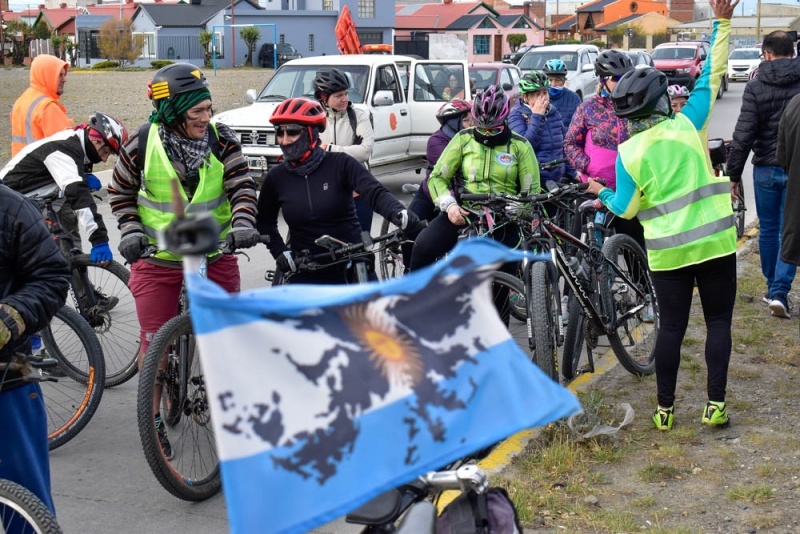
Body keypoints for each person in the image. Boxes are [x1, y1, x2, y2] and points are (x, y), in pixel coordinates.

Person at [585, 0, 737, 431]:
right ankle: (715, 406)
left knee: (670, 330)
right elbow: (712, 74)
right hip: (715, 245)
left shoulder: (627, 153)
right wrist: (721, 22)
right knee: (718, 323)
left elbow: (627, 208)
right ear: (662, 102)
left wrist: (605, 197)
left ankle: (665, 411)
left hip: (668, 255)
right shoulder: (689, 124)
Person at [108, 63, 259, 458]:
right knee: (153, 341)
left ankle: (226, 409)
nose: (206, 118)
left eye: (209, 109)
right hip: (158, 257)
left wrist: (242, 222)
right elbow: (121, 194)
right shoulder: (141, 144)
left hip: (214, 253)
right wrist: (130, 232)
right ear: (173, 111)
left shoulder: (221, 141)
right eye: (197, 112)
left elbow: (242, 186)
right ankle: (154, 417)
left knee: (227, 337)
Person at [256, 97, 418, 285]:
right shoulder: (277, 177)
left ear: (311, 133)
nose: (285, 140)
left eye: (292, 132)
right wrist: (280, 251)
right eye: (279, 132)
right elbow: (264, 221)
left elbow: (375, 192)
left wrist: (398, 212)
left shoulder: (340, 163)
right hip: (304, 265)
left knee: (375, 311)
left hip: (350, 261)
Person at [409, 85, 540, 272]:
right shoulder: (463, 139)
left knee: (508, 270)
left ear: (504, 122)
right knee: (423, 246)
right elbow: (438, 177)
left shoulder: (520, 145)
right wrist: (449, 204)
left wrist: (517, 208)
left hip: (504, 217)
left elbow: (532, 189)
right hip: (465, 212)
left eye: (493, 130)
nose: (486, 134)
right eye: (481, 129)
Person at [0, 183, 71, 517]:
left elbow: (52, 277)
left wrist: (11, 317)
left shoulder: (11, 208)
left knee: (26, 510)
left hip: (6, 382)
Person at [726, 30, 800, 318]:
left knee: (769, 229)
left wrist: (733, 175)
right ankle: (780, 291)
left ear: (766, 54)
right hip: (795, 167)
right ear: (792, 52)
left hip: (766, 167)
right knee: (790, 229)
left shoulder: (756, 86)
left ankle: (773, 288)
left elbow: (744, 134)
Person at [0, 112, 126, 275]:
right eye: (106, 152)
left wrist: (83, 176)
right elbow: (79, 197)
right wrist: (98, 239)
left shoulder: (77, 144)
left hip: (24, 206)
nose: (104, 159)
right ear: (96, 139)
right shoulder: (65, 150)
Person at [564, 49, 644, 248]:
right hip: (593, 187)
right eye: (616, 78)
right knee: (581, 248)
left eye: (626, 77)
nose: (622, 82)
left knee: (636, 250)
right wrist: (587, 166)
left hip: (628, 188)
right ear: (603, 80)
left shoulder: (636, 106)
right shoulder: (588, 108)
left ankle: (640, 280)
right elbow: (571, 143)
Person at [313, 67, 376, 233]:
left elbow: (364, 151)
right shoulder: (313, 119)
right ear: (323, 97)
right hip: (324, 194)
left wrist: (330, 149)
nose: (345, 99)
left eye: (346, 93)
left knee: (362, 248)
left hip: (357, 193)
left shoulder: (359, 116)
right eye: (338, 95)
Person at [509, 71, 568, 184]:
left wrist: (572, 172)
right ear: (525, 97)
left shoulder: (553, 112)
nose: (543, 98)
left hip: (556, 178)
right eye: (537, 94)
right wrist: (537, 116)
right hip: (533, 181)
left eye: (545, 93)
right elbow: (525, 147)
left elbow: (564, 145)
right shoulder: (517, 115)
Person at [10, 54, 72, 157]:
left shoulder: (21, 101)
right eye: (59, 75)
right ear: (47, 75)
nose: (64, 79)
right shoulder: (47, 107)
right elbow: (66, 148)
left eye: (64, 75)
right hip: (42, 169)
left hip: (21, 169)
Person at [542, 59, 582, 131]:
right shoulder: (539, 98)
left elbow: (579, 124)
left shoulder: (574, 98)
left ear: (563, 81)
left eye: (557, 80)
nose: (553, 84)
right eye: (550, 80)